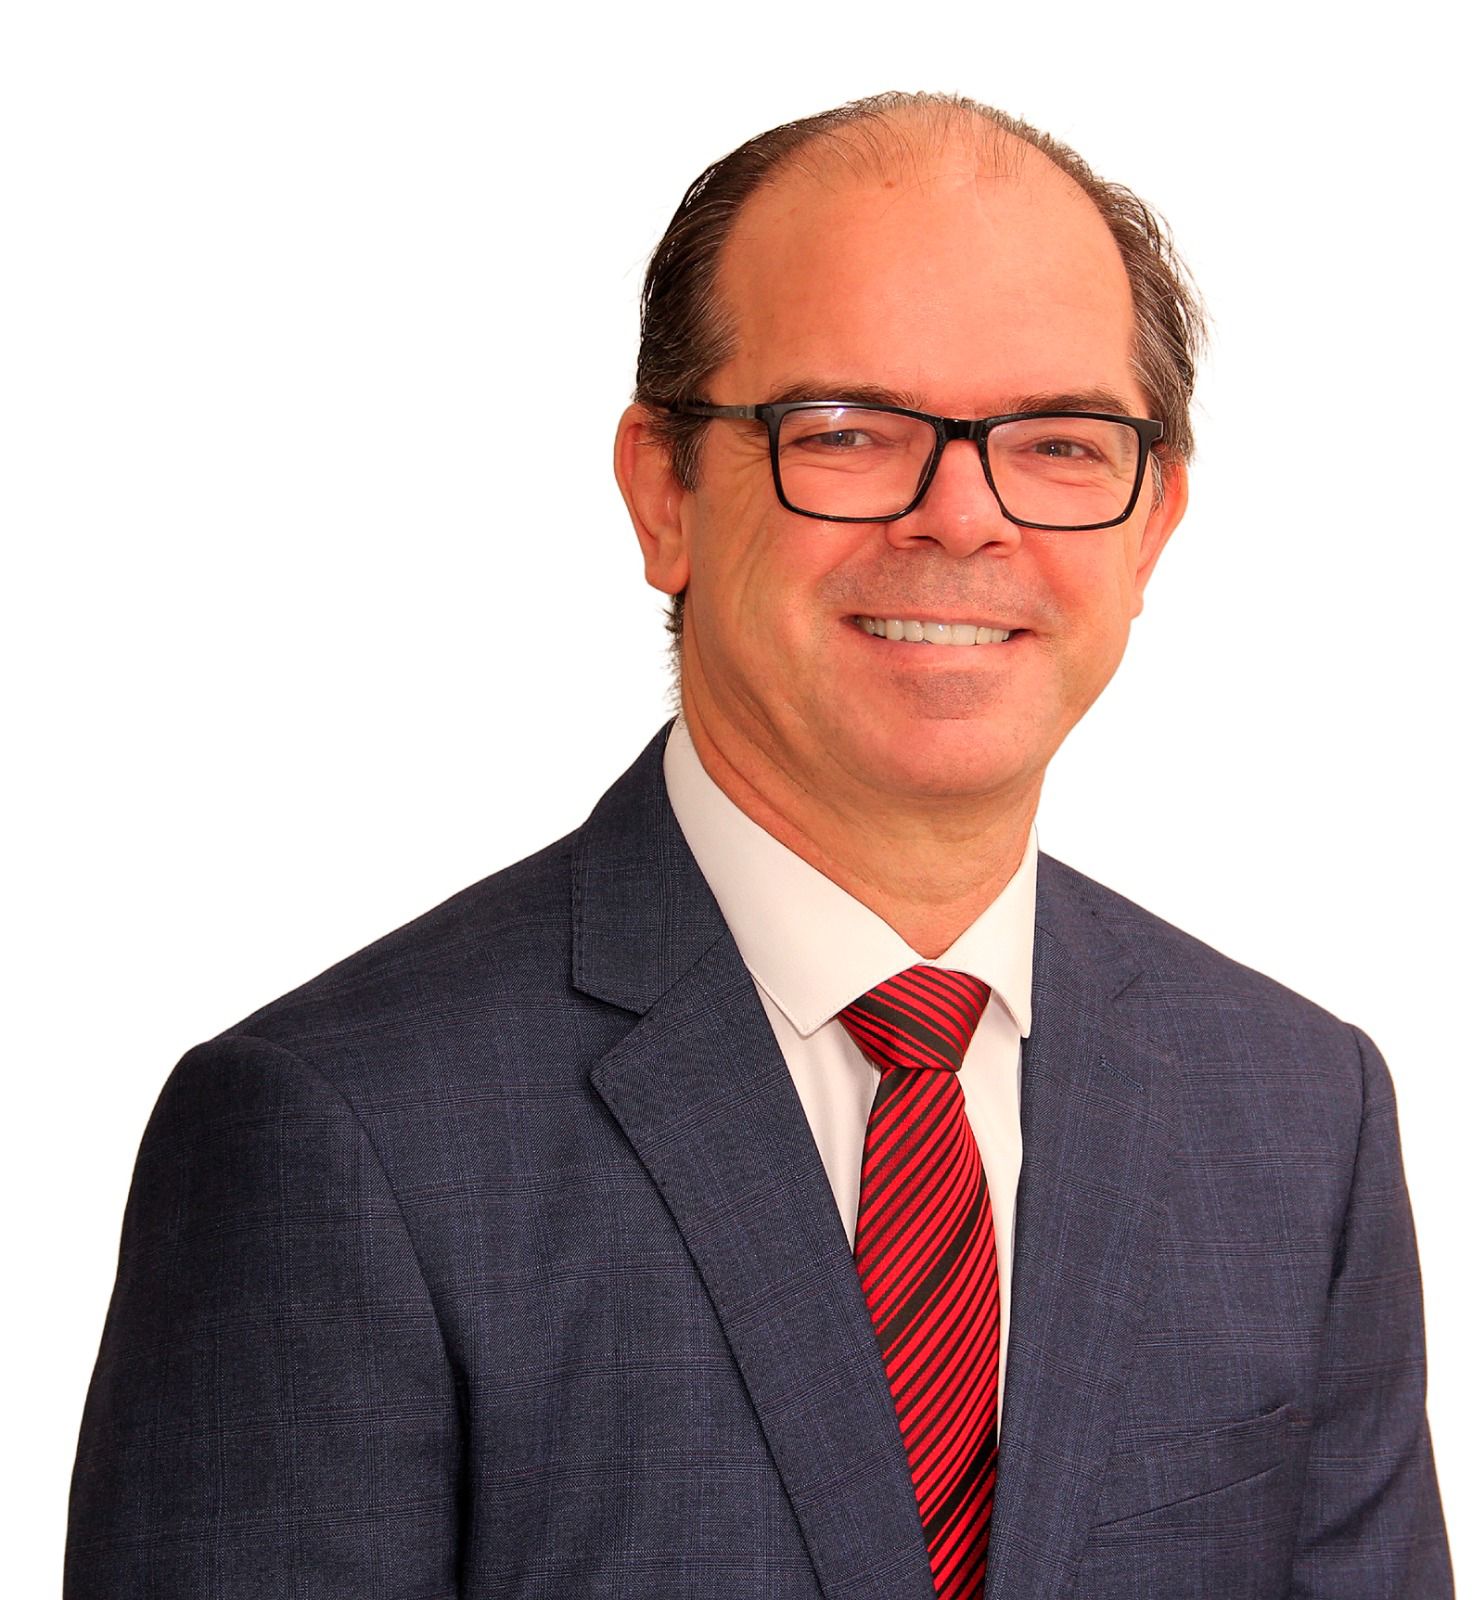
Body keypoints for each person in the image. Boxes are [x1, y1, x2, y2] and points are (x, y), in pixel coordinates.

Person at [65, 91, 1451, 1599]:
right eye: (847, 431)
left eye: (1059, 443)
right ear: (663, 491)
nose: (961, 518)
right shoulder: (337, 1135)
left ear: (1154, 522)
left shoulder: (1299, 1114)